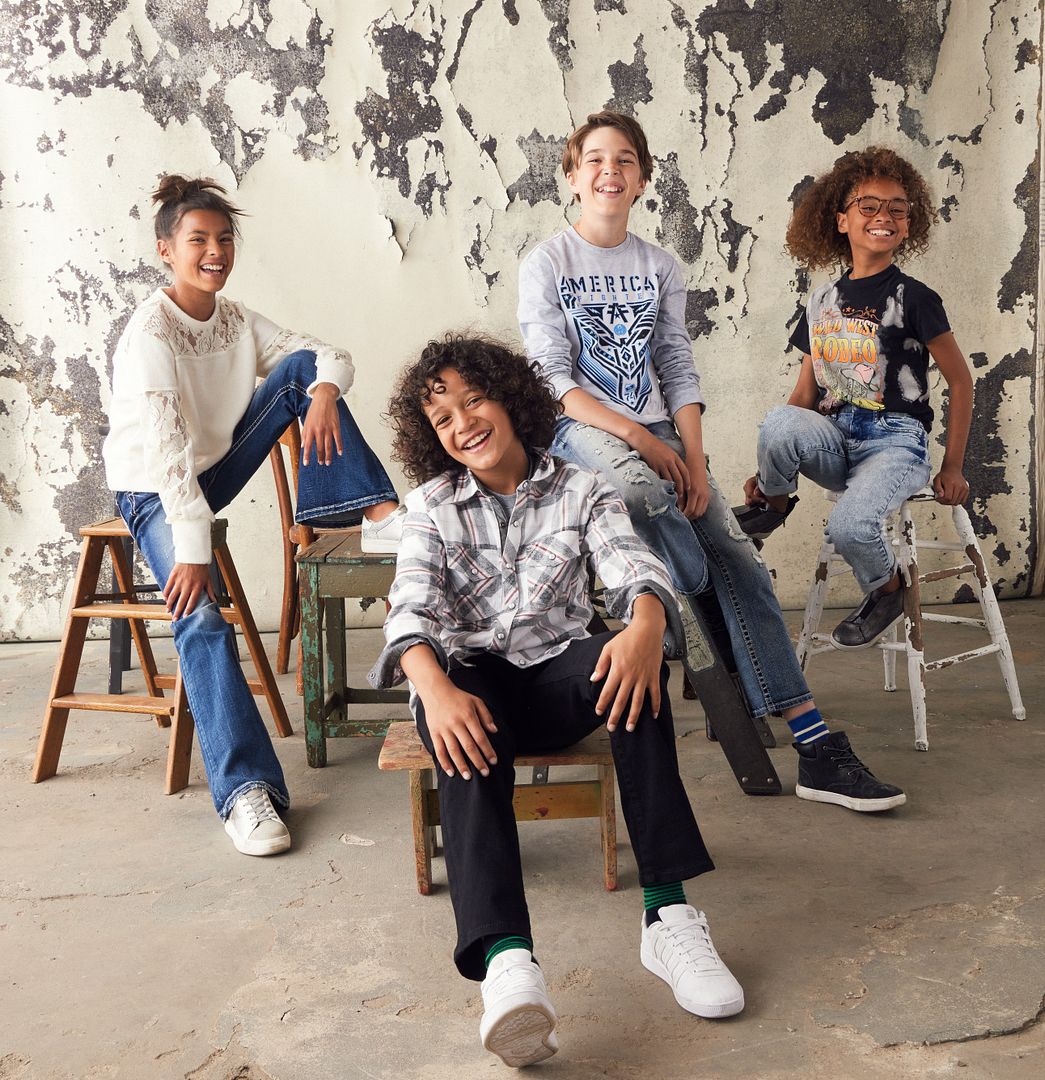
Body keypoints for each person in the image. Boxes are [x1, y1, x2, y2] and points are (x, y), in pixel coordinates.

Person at [370, 335, 744, 1069]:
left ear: (510, 398)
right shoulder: (429, 506)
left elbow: (631, 564)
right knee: (462, 726)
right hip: (467, 679)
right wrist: (434, 691)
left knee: (630, 669)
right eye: (443, 417)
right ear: (431, 437)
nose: (463, 423)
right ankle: (509, 966)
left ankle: (667, 917)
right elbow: (409, 610)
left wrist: (645, 625)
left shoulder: (582, 488)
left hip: (551, 675)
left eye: (474, 399)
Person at [517, 110, 905, 813]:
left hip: (661, 429)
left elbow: (675, 366)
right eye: (595, 159)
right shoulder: (547, 262)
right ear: (572, 178)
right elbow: (551, 378)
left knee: (738, 555)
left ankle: (813, 743)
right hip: (579, 430)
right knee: (645, 494)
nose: (610, 170)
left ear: (642, 179)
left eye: (625, 159)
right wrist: (640, 440)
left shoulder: (660, 265)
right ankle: (688, 597)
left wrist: (695, 461)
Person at [102, 175, 404, 855]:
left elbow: (329, 355)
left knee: (301, 371)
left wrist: (322, 392)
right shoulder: (150, 332)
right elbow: (168, 456)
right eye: (197, 240)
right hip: (154, 490)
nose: (214, 251)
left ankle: (380, 513)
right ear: (165, 251)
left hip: (211, 470)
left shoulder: (234, 320)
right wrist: (194, 552)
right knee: (200, 615)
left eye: (223, 239)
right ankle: (246, 793)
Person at [735, 146, 973, 650]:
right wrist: (770, 465)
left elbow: (961, 382)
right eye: (869, 206)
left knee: (850, 527)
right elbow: (804, 394)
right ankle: (773, 506)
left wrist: (952, 466)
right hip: (835, 439)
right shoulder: (822, 301)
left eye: (897, 208)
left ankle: (887, 591)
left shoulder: (914, 298)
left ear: (908, 224)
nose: (883, 216)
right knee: (778, 420)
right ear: (842, 220)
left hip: (894, 444)